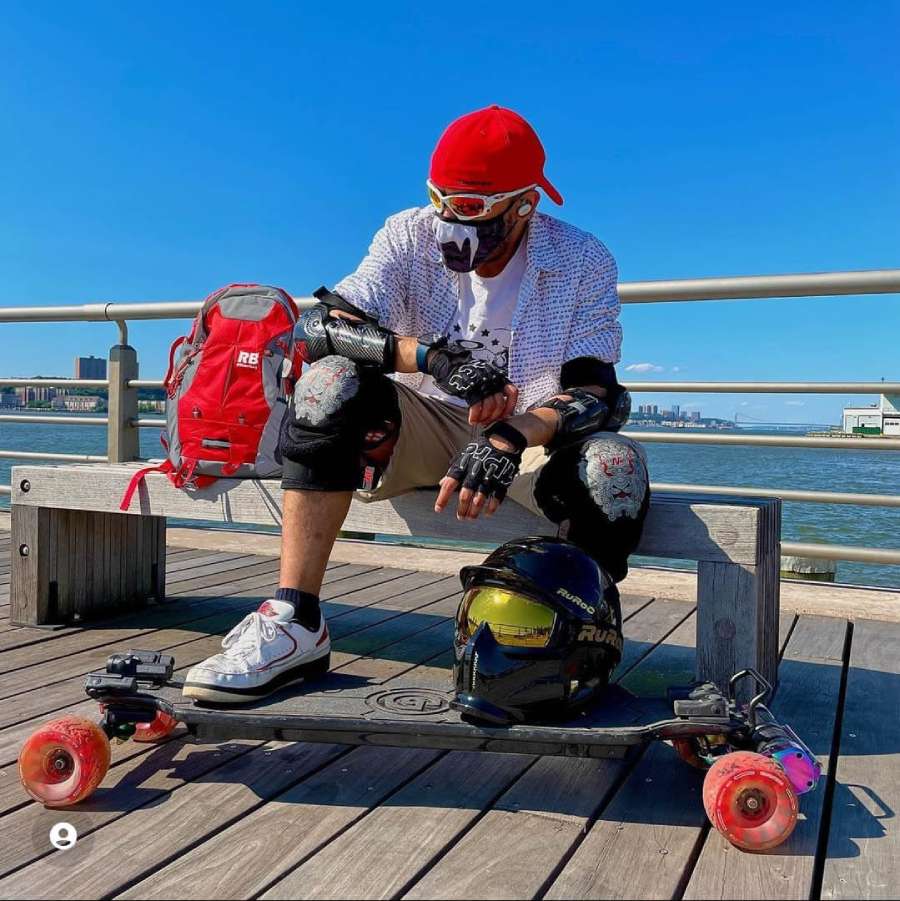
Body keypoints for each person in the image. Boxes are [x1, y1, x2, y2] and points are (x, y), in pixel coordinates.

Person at [183, 104, 650, 703]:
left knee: (613, 467)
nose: (450, 221)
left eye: (472, 208)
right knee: (327, 382)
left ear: (525, 204)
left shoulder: (583, 258)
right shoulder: (407, 232)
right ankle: (296, 620)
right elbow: (321, 329)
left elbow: (595, 393)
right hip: (423, 421)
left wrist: (510, 436)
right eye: (441, 200)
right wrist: (434, 360)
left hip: (529, 432)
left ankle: (579, 643)